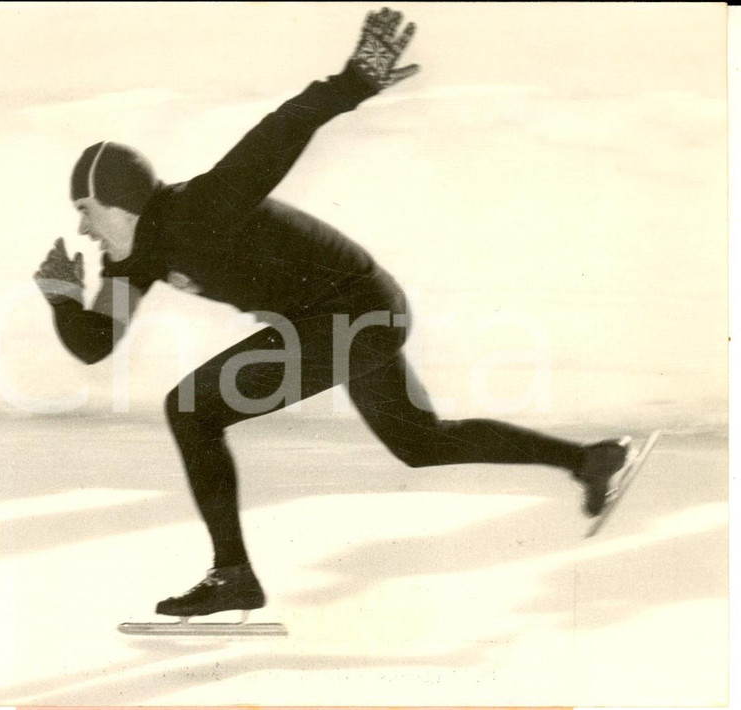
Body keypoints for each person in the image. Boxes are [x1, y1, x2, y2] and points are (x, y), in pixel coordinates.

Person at [34, 7, 630, 619]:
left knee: (191, 408)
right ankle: (591, 460)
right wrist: (60, 297)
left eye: (87, 207)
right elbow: (94, 342)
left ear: (121, 203)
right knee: (419, 443)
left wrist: (351, 83)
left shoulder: (201, 208)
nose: (82, 224)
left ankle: (232, 575)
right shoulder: (134, 259)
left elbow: (278, 134)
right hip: (342, 319)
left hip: (355, 311)